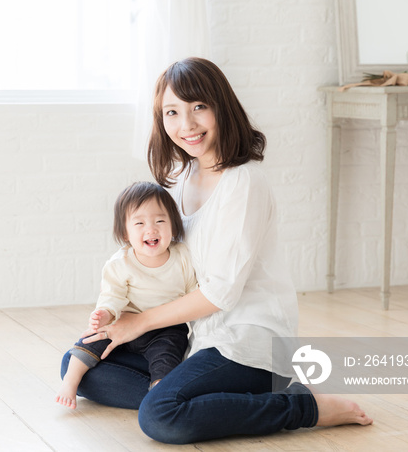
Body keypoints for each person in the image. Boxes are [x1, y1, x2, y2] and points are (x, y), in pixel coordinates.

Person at [60, 57, 372, 443]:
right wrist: (119, 311)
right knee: (80, 364)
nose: (186, 125)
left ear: (221, 107)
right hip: (197, 338)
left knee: (160, 417)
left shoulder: (244, 182)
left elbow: (221, 292)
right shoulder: (183, 178)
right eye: (172, 112)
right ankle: (217, 401)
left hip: (247, 341)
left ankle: (305, 406)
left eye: (198, 108)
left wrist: (139, 324)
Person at [55, 181, 197, 409]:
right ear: (125, 232)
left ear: (174, 225)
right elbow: (112, 296)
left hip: (166, 329)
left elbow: (193, 296)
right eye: (139, 223)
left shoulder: (183, 257)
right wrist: (104, 315)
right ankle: (70, 382)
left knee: (167, 358)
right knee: (90, 341)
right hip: (125, 322)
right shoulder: (120, 263)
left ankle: (159, 391)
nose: (151, 229)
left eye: (160, 221)